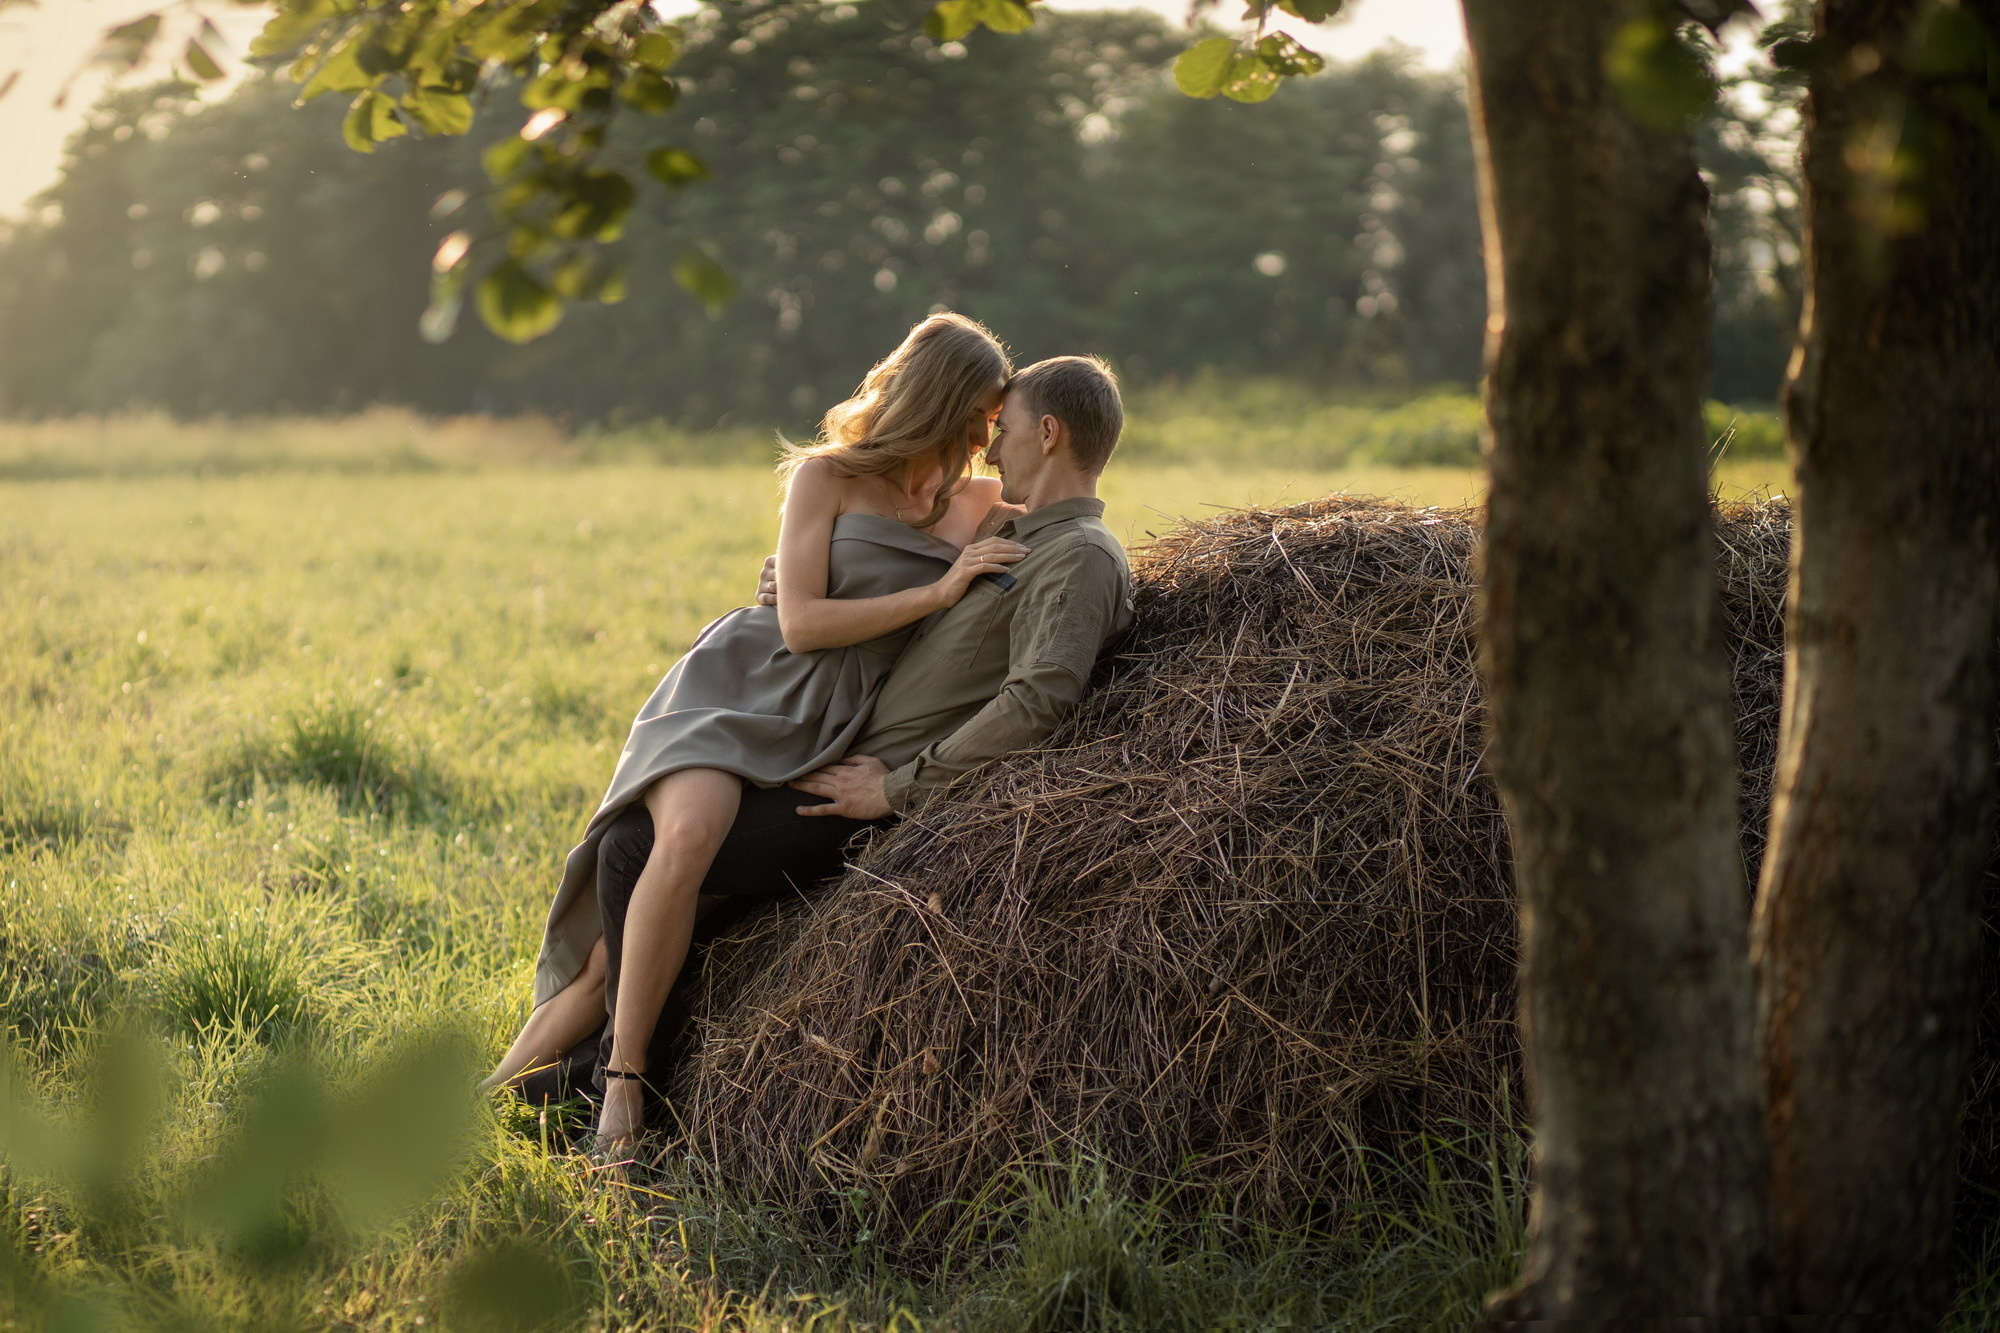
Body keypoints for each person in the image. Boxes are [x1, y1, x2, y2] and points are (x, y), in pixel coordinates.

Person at [539, 355, 1135, 1141]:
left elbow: (1037, 701)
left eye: (1007, 431)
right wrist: (795, 580)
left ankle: (629, 1090)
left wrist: (896, 788)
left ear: (1049, 434)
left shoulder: (1079, 556)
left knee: (630, 850)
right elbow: (919, 596)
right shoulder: (1011, 528)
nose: (991, 451)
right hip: (821, 732)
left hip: (860, 783)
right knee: (640, 855)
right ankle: (577, 1079)